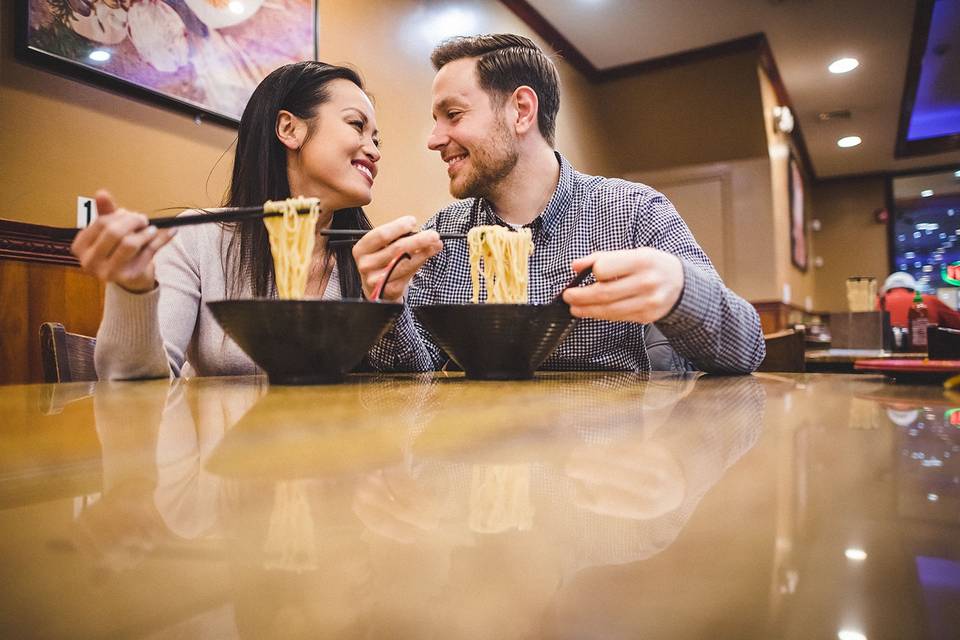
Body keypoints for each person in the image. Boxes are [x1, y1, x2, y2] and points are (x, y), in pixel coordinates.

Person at [354, 34, 764, 374]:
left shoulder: (632, 211)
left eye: (453, 114)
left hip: (598, 463)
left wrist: (681, 291)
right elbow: (413, 381)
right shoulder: (442, 237)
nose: (433, 138)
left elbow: (747, 350)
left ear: (521, 110)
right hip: (480, 460)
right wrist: (388, 303)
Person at [71, 62, 389, 379]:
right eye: (356, 125)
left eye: (376, 140)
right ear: (290, 129)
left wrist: (387, 297)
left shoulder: (368, 260)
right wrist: (133, 290)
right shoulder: (198, 239)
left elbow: (401, 386)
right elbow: (138, 387)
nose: (373, 151)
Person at [878, 271, 960, 328]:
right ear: (914, 289)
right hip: (926, 351)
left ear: (885, 290)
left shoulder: (875, 302)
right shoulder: (929, 300)